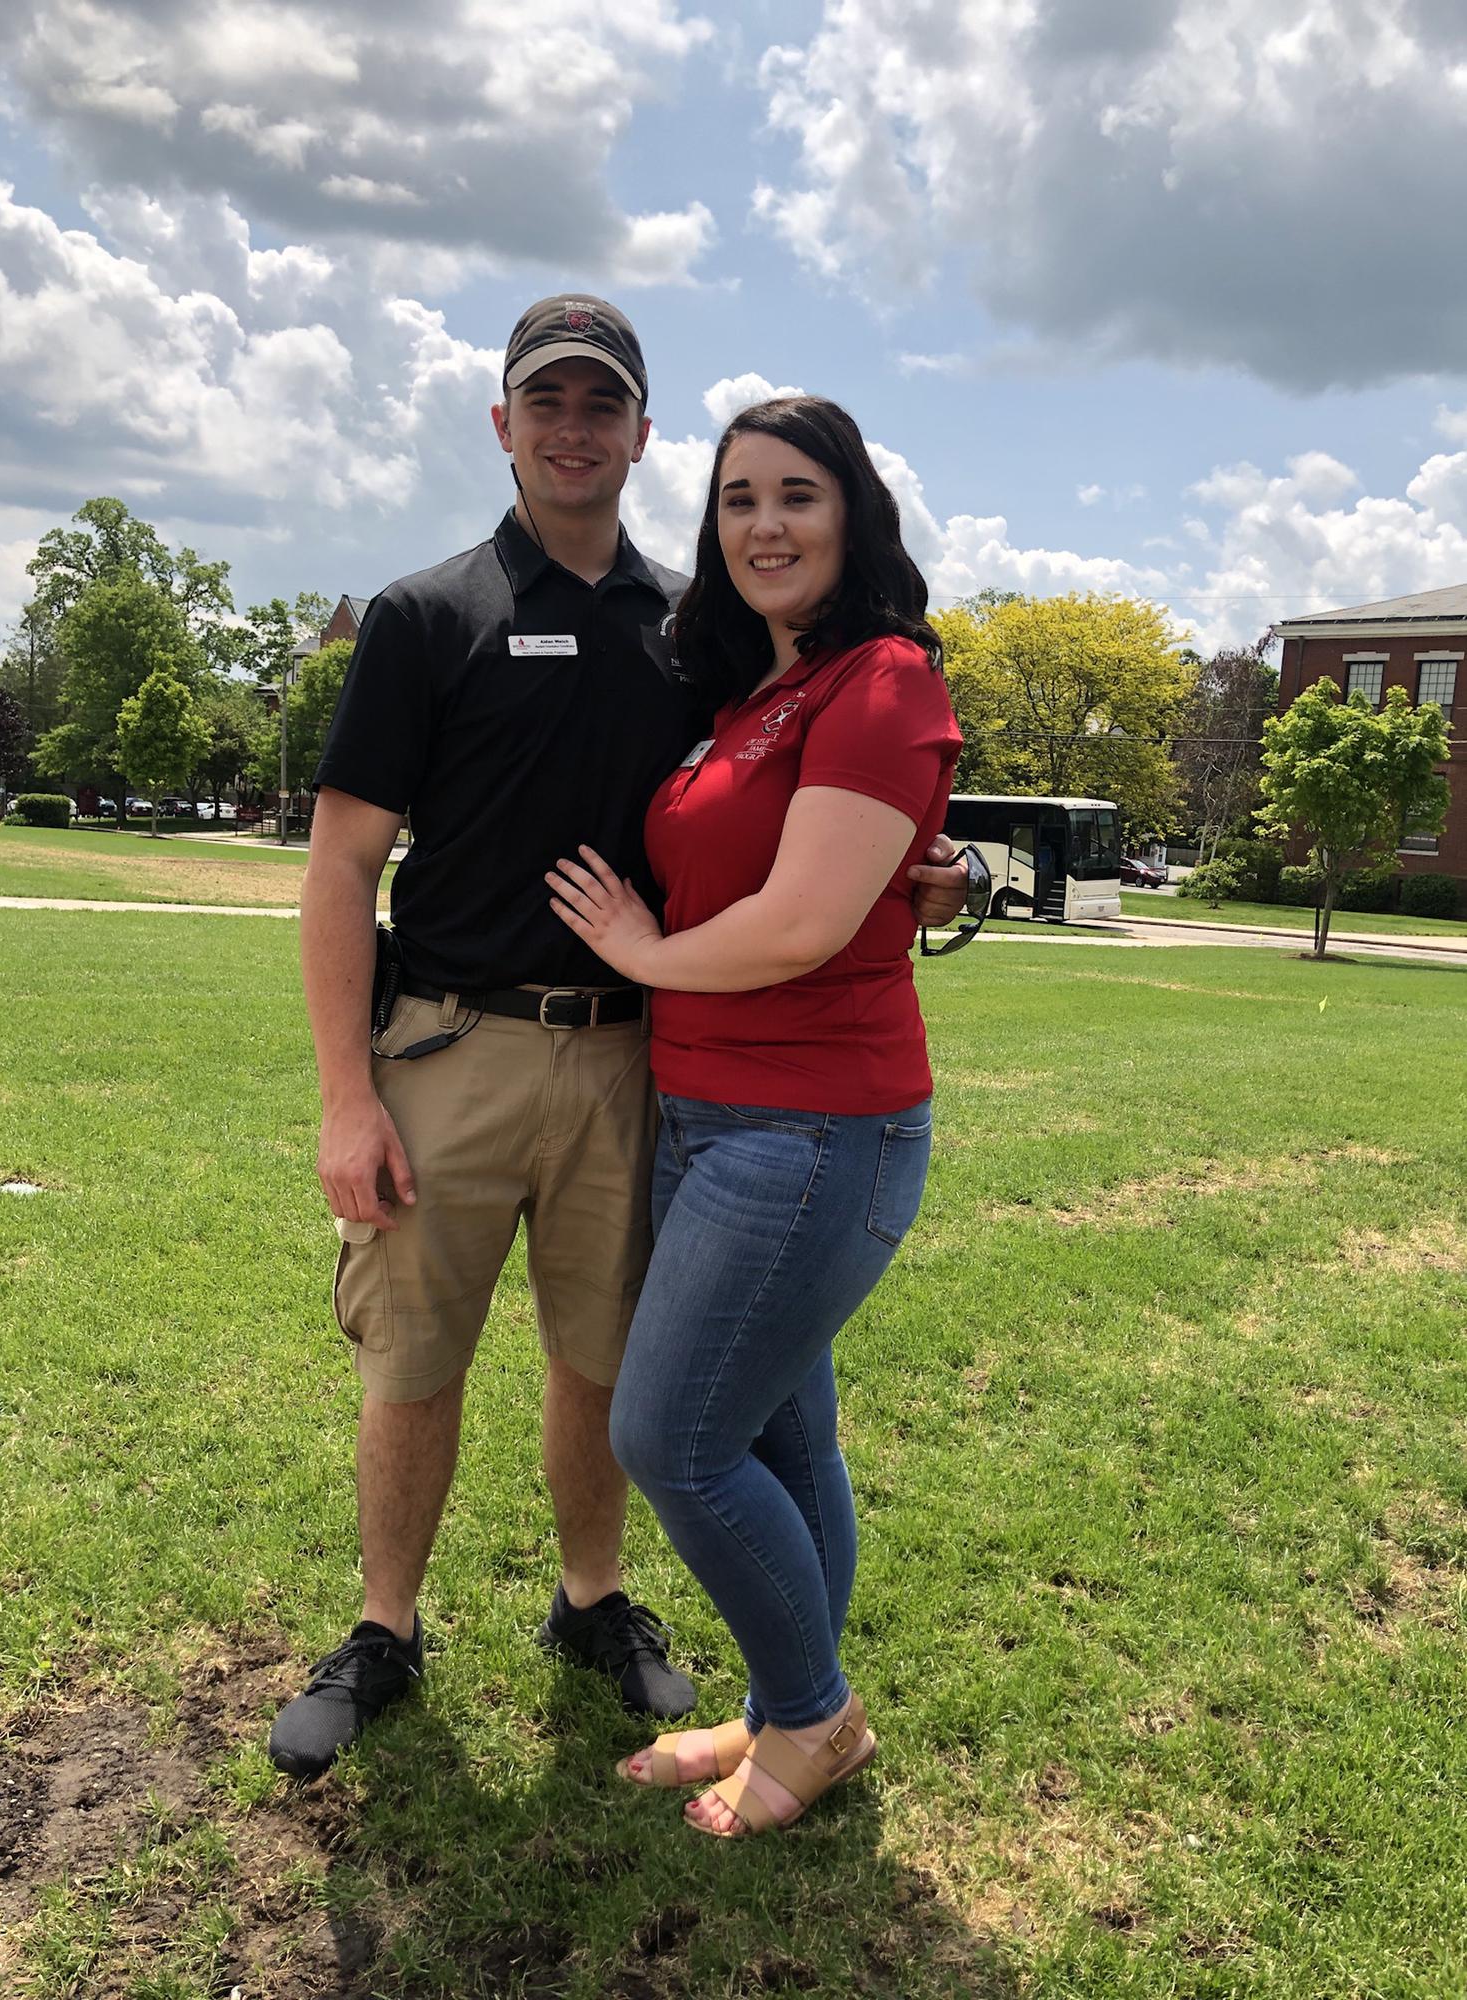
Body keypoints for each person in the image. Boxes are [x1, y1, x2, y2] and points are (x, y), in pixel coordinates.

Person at [267, 298, 971, 1779]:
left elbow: (803, 789)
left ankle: (593, 1603)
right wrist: (347, 1097)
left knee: (605, 1365)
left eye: (605, 404)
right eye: (549, 402)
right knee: (415, 1361)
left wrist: (939, 862)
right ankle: (386, 1628)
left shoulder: (693, 636)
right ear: (504, 424)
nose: (575, 427)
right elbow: (340, 869)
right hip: (450, 1051)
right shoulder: (423, 614)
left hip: (642, 1062)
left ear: (642, 434)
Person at [544, 394, 961, 1836]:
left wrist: (645, 957)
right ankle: (795, 1704)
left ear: (852, 513)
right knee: (784, 1443)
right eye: (737, 501)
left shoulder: (883, 679)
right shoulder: (753, 695)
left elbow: (799, 921)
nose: (766, 525)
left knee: (675, 1437)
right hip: (713, 1119)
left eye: (797, 495)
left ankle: (813, 1720)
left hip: (811, 1131)